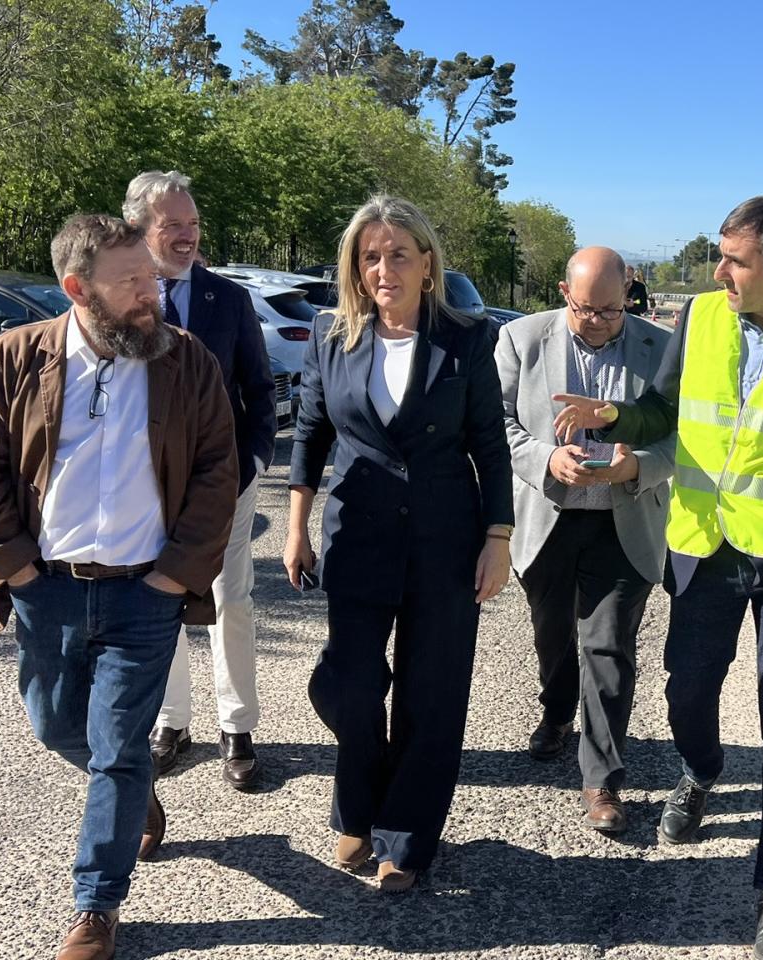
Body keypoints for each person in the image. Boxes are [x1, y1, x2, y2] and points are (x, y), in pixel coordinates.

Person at [553, 195, 763, 960]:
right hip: (703, 554)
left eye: (734, 261)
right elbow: (663, 410)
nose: (719, 272)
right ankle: (702, 771)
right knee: (685, 694)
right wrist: (614, 420)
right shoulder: (701, 318)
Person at [0, 214, 238, 960]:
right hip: (45, 588)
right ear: (77, 289)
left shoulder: (188, 362)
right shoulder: (14, 360)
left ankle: (95, 907)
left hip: (146, 591)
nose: (154, 293)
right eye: (132, 283)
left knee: (116, 746)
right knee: (54, 726)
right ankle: (137, 793)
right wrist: (14, 568)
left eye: (152, 276)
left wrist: (175, 574)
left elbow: (217, 474)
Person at [282, 194, 513, 893]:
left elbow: (490, 445)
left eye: (399, 255)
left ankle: (406, 838)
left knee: (432, 690)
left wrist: (498, 536)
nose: (385, 269)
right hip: (358, 534)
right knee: (349, 681)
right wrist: (295, 526)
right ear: (357, 265)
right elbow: (310, 435)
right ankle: (360, 804)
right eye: (371, 256)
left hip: (447, 534)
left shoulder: (468, 337)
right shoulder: (331, 334)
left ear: (427, 262)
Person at [494, 246, 676, 833]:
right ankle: (556, 713)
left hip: (623, 522)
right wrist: (548, 458)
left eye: (609, 310)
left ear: (630, 294)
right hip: (549, 516)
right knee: (552, 635)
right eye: (583, 308)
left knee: (609, 650)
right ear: (562, 291)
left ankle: (602, 780)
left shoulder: (660, 347)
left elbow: (689, 432)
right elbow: (497, 423)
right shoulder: (521, 340)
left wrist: (638, 466)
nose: (596, 320)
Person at [125, 171, 277, 792]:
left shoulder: (228, 300)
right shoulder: (119, 298)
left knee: (229, 599)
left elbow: (261, 391)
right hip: (143, 486)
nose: (188, 237)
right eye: (173, 226)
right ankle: (171, 723)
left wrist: (255, 466)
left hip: (224, 482)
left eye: (193, 225)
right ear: (140, 229)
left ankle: (237, 728)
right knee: (155, 600)